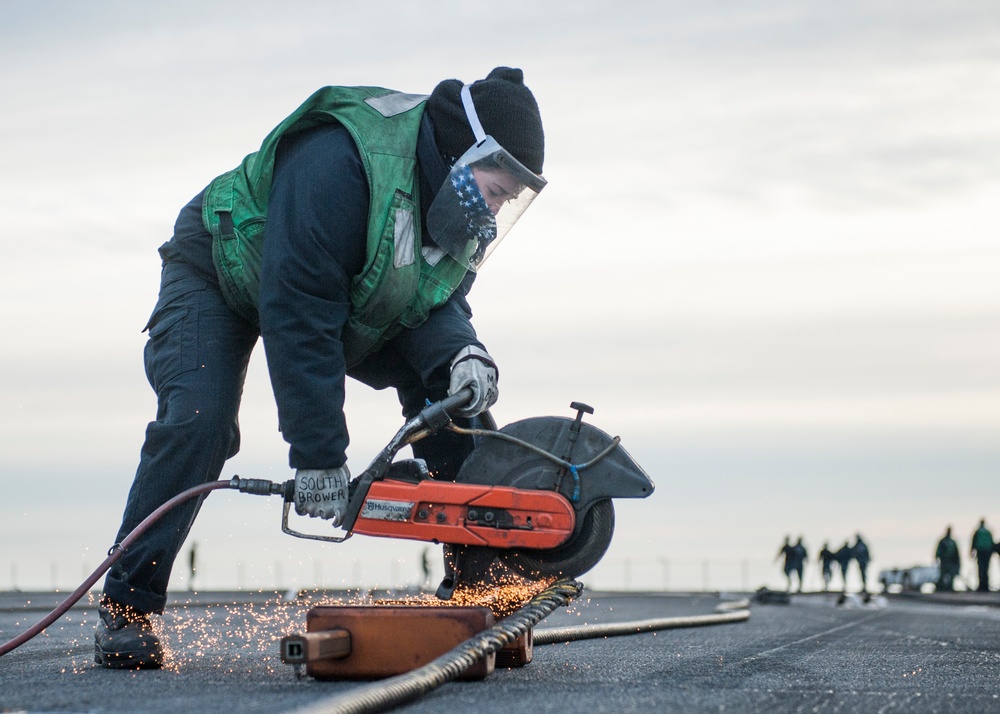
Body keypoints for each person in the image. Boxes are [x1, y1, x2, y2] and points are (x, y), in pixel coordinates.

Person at [93, 67, 547, 669]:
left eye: (506, 200)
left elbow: (433, 305)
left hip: (342, 292)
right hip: (221, 265)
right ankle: (128, 609)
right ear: (464, 153)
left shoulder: (452, 203)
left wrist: (462, 352)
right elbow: (299, 312)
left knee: (452, 399)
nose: (493, 210)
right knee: (199, 422)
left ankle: (480, 589)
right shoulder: (341, 161)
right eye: (494, 190)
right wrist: (318, 454)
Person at [934, 526, 961, 592]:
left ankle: (949, 587)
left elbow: (956, 552)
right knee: (943, 574)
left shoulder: (949, 541)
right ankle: (941, 587)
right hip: (945, 560)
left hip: (950, 561)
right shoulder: (946, 541)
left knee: (950, 575)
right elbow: (939, 550)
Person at [970, 519, 994, 592]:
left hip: (980, 552)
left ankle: (982, 586)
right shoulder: (988, 532)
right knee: (986, 569)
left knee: (981, 569)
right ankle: (986, 586)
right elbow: (991, 543)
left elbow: (973, 542)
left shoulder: (978, 532)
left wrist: (972, 551)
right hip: (987, 552)